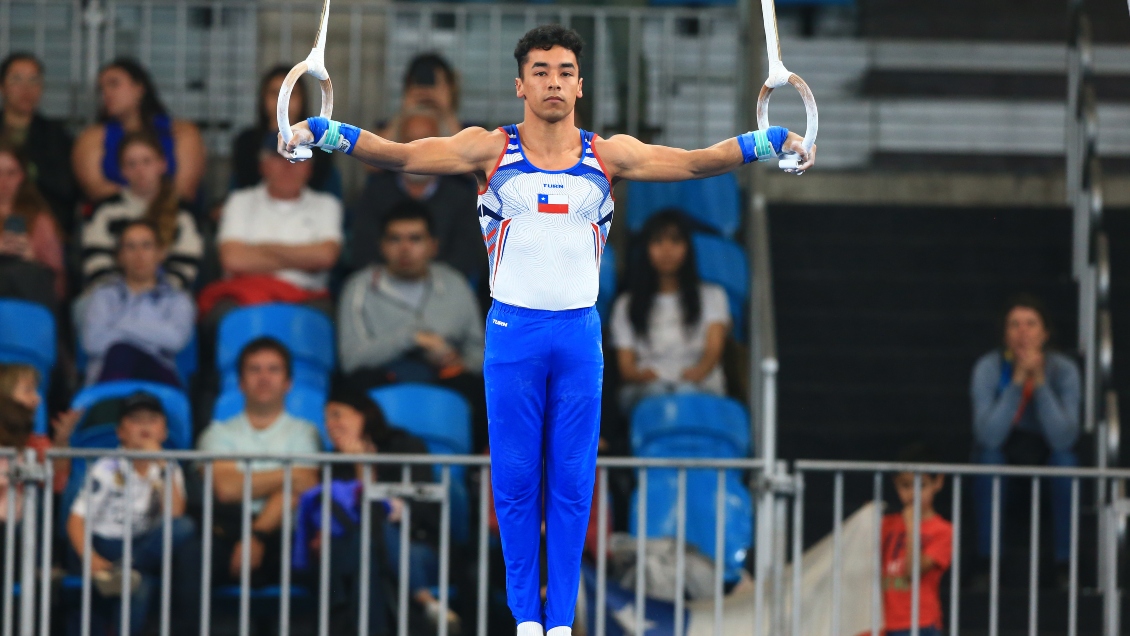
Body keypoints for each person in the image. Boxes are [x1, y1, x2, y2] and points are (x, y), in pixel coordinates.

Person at [279, 24, 815, 636]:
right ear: (520, 84)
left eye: (564, 71)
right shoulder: (489, 150)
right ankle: (525, 620)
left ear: (580, 86)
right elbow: (399, 155)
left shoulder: (609, 156)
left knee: (571, 483)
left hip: (579, 337)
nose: (553, 82)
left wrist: (773, 140)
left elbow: (696, 163)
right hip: (513, 335)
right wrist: (320, 131)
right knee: (513, 483)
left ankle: (558, 622)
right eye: (541, 71)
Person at [299, 385, 459, 635]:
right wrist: (358, 466)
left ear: (364, 415)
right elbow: (344, 521)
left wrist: (365, 467)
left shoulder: (405, 447)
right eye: (326, 418)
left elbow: (417, 510)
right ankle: (425, 601)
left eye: (337, 414)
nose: (330, 424)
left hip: (418, 547)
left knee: (374, 540)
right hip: (362, 551)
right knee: (365, 550)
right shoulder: (334, 464)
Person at [337, 200, 486, 447]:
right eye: (395, 239)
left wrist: (457, 361)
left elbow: (480, 352)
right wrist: (411, 338)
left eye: (415, 239)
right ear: (382, 246)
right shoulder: (358, 287)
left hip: (445, 377)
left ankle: (474, 475)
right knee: (351, 387)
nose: (405, 249)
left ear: (433, 246)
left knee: (488, 391)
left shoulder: (454, 284)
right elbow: (351, 360)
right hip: (383, 377)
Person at [65, 392, 201, 636]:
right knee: (140, 585)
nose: (145, 425)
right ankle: (127, 570)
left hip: (146, 546)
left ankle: (126, 568)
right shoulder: (107, 466)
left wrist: (160, 465)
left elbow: (175, 514)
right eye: (136, 420)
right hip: (108, 543)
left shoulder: (169, 467)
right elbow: (76, 520)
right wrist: (90, 558)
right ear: (121, 432)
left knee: (184, 527)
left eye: (152, 419)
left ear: (164, 432)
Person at [196, 338, 321, 585]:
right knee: (193, 557)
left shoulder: (305, 432)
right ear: (241, 383)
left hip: (288, 533)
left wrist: (256, 537)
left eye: (273, 369)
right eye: (254, 369)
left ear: (289, 382)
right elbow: (227, 489)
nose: (264, 377)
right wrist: (289, 476)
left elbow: (306, 484)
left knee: (325, 558)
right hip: (228, 529)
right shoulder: (217, 433)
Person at [970, 294, 1079, 571]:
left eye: (1031, 324)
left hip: (1047, 449)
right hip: (1003, 448)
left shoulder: (1064, 370)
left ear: (1045, 333)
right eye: (1014, 325)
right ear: (1005, 334)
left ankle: (1065, 563)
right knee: (988, 459)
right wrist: (1017, 382)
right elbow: (989, 436)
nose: (1022, 332)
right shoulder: (988, 367)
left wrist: (1040, 383)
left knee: (1067, 462)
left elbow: (1063, 437)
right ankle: (988, 561)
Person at [199, 133, 342, 317]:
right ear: (263, 166)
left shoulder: (327, 204)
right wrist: (304, 259)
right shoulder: (239, 201)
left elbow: (326, 257)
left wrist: (261, 249)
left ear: (309, 168)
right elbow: (232, 260)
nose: (288, 166)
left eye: (298, 158)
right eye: (280, 157)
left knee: (324, 316)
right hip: (244, 294)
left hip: (307, 296)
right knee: (221, 314)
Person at [610, 209, 730, 414]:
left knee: (686, 393)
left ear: (688, 248)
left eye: (675, 241)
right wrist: (646, 378)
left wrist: (690, 379)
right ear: (645, 248)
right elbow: (627, 368)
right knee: (656, 394)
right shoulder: (625, 304)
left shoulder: (713, 296)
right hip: (647, 389)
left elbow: (712, 354)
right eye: (658, 241)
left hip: (699, 387)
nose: (667, 250)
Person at [351, 108, 485, 281]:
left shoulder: (461, 198)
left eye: (428, 141)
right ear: (396, 144)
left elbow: (467, 257)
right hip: (382, 290)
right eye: (409, 140)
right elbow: (362, 254)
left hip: (444, 293)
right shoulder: (374, 194)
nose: (418, 149)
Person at [81, 132, 204, 291]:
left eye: (147, 162)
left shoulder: (183, 213)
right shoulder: (106, 210)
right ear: (122, 171)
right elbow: (96, 259)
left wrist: (155, 294)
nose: (140, 170)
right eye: (131, 164)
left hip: (167, 297)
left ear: (162, 164)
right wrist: (121, 294)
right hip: (112, 294)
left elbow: (186, 264)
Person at [72, 59, 204, 203]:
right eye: (101, 89)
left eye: (114, 84)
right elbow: (95, 189)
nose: (106, 93)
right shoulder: (91, 137)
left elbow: (185, 189)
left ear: (139, 88)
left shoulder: (182, 132)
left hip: (172, 214)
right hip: (114, 214)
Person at [81, 220, 194, 387]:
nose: (139, 254)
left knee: (121, 351)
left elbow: (176, 340)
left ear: (160, 253)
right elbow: (92, 343)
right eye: (130, 247)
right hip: (106, 374)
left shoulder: (177, 299)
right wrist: (150, 335)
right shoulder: (103, 296)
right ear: (119, 256)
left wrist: (121, 326)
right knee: (120, 353)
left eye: (146, 246)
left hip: (158, 377)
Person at [231, 65, 339, 195]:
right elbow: (244, 186)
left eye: (291, 93)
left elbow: (322, 189)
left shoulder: (321, 142)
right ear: (263, 99)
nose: (283, 101)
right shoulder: (246, 142)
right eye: (275, 93)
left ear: (302, 100)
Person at [0, 53, 77, 235]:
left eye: (34, 80)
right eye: (17, 80)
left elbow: (65, 191)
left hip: (41, 226)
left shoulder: (57, 137)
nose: (26, 89)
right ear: (2, 86)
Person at [882, 444, 953, 636]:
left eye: (920, 485)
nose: (913, 493)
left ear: (937, 482)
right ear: (896, 484)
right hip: (884, 622)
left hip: (921, 623)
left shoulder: (944, 531)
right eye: (905, 486)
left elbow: (912, 571)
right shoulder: (887, 523)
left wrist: (911, 526)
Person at [0, 141, 66, 304]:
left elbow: (60, 285)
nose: (4, 181)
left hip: (27, 304)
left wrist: (33, 260)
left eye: (11, 173)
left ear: (22, 176)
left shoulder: (40, 221)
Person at [378, 54, 464, 140]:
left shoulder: (464, 132)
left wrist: (446, 112)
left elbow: (467, 149)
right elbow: (375, 150)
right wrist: (404, 111)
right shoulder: (396, 125)